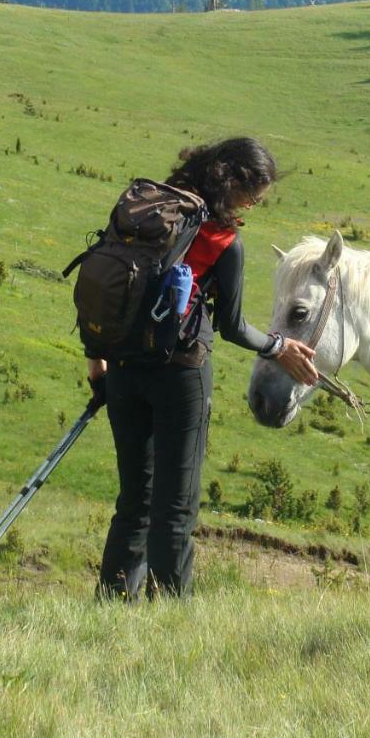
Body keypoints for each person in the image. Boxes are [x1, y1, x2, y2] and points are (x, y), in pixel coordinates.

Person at [86, 137, 318, 600]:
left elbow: (105, 285)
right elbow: (232, 326)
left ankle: (111, 608)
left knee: (134, 503)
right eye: (251, 198)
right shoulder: (220, 239)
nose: (249, 208)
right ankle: (171, 618)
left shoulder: (145, 208)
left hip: (121, 369)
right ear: (231, 183)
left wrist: (98, 364)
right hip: (179, 376)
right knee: (175, 508)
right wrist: (279, 347)